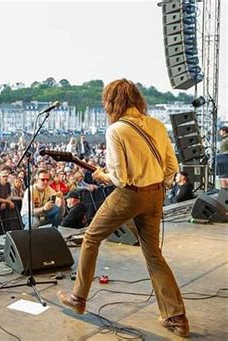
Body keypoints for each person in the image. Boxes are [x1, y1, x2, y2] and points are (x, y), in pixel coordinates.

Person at [57, 79, 188, 338]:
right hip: (156, 194)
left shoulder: (116, 130)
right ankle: (177, 319)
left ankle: (78, 298)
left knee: (91, 238)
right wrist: (157, 185)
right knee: (154, 255)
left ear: (112, 102)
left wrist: (103, 177)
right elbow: (172, 167)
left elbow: (120, 178)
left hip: (130, 195)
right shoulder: (157, 125)